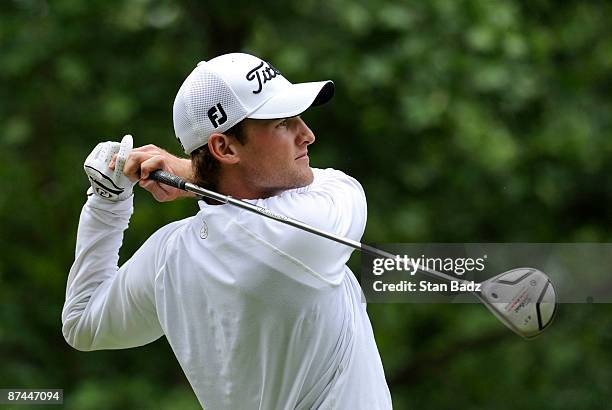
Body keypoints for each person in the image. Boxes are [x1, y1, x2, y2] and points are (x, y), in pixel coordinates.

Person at [62, 52, 392, 409]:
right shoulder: (301, 231)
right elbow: (344, 186)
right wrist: (190, 172)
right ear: (224, 146)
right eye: (282, 122)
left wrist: (107, 202)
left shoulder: (169, 256)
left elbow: (81, 322)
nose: (307, 135)